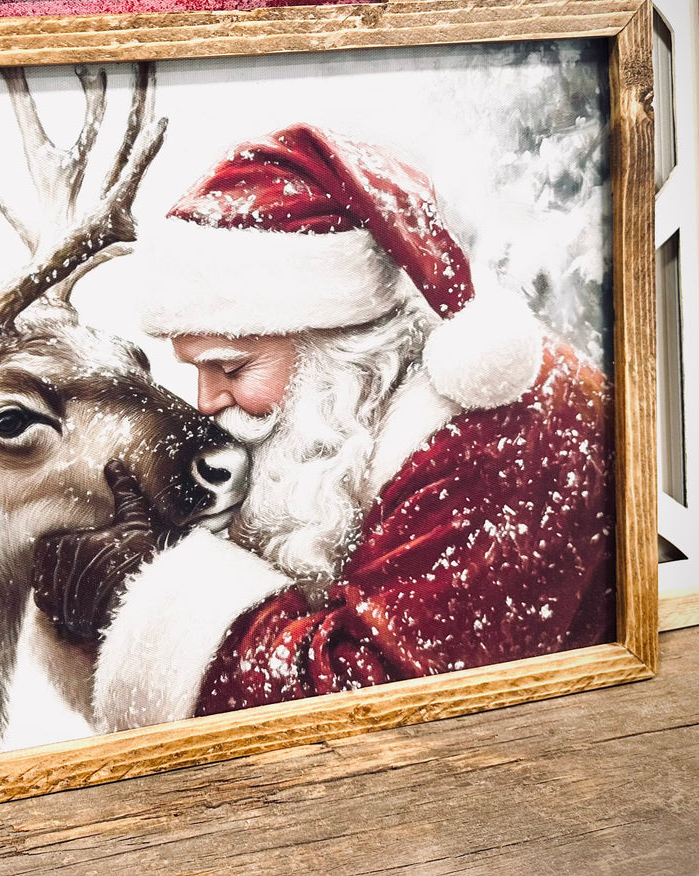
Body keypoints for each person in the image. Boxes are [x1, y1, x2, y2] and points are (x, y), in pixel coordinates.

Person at [31, 123, 614, 733]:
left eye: (230, 367)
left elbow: (379, 708)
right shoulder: (357, 420)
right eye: (197, 370)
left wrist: (143, 591)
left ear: (338, 343)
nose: (206, 403)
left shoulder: (497, 441)